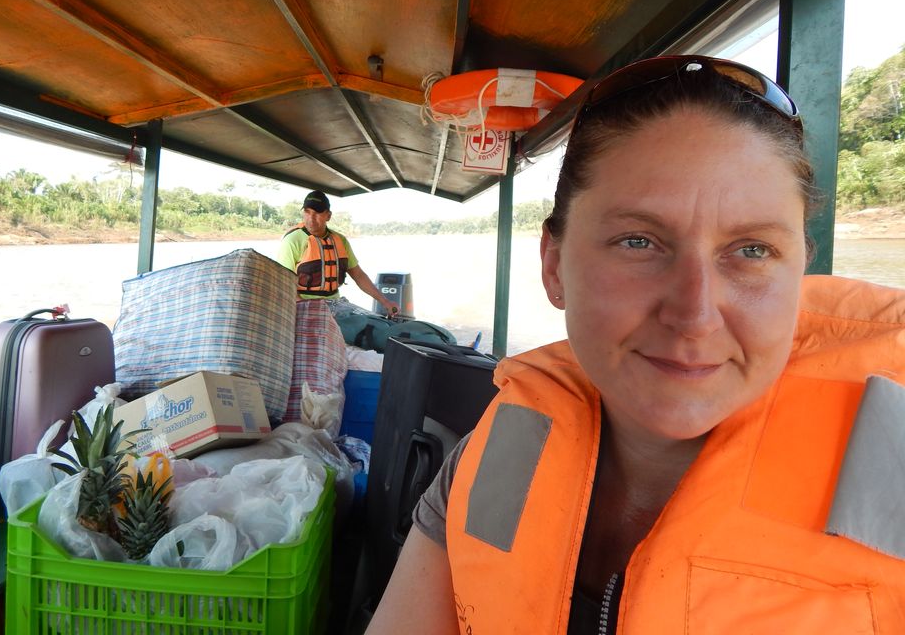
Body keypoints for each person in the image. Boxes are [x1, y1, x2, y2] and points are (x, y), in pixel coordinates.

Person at [366, 55, 905, 634]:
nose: (695, 317)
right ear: (554, 266)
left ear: (798, 273)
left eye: (752, 250)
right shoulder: (492, 459)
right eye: (638, 241)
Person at [278, 189, 399, 315]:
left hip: (336, 304)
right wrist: (306, 310)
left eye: (317, 212)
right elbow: (283, 283)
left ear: (328, 216)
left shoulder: (340, 240)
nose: (311, 218)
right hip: (304, 305)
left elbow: (358, 275)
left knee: (369, 321)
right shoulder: (293, 240)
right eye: (307, 212)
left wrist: (386, 302)